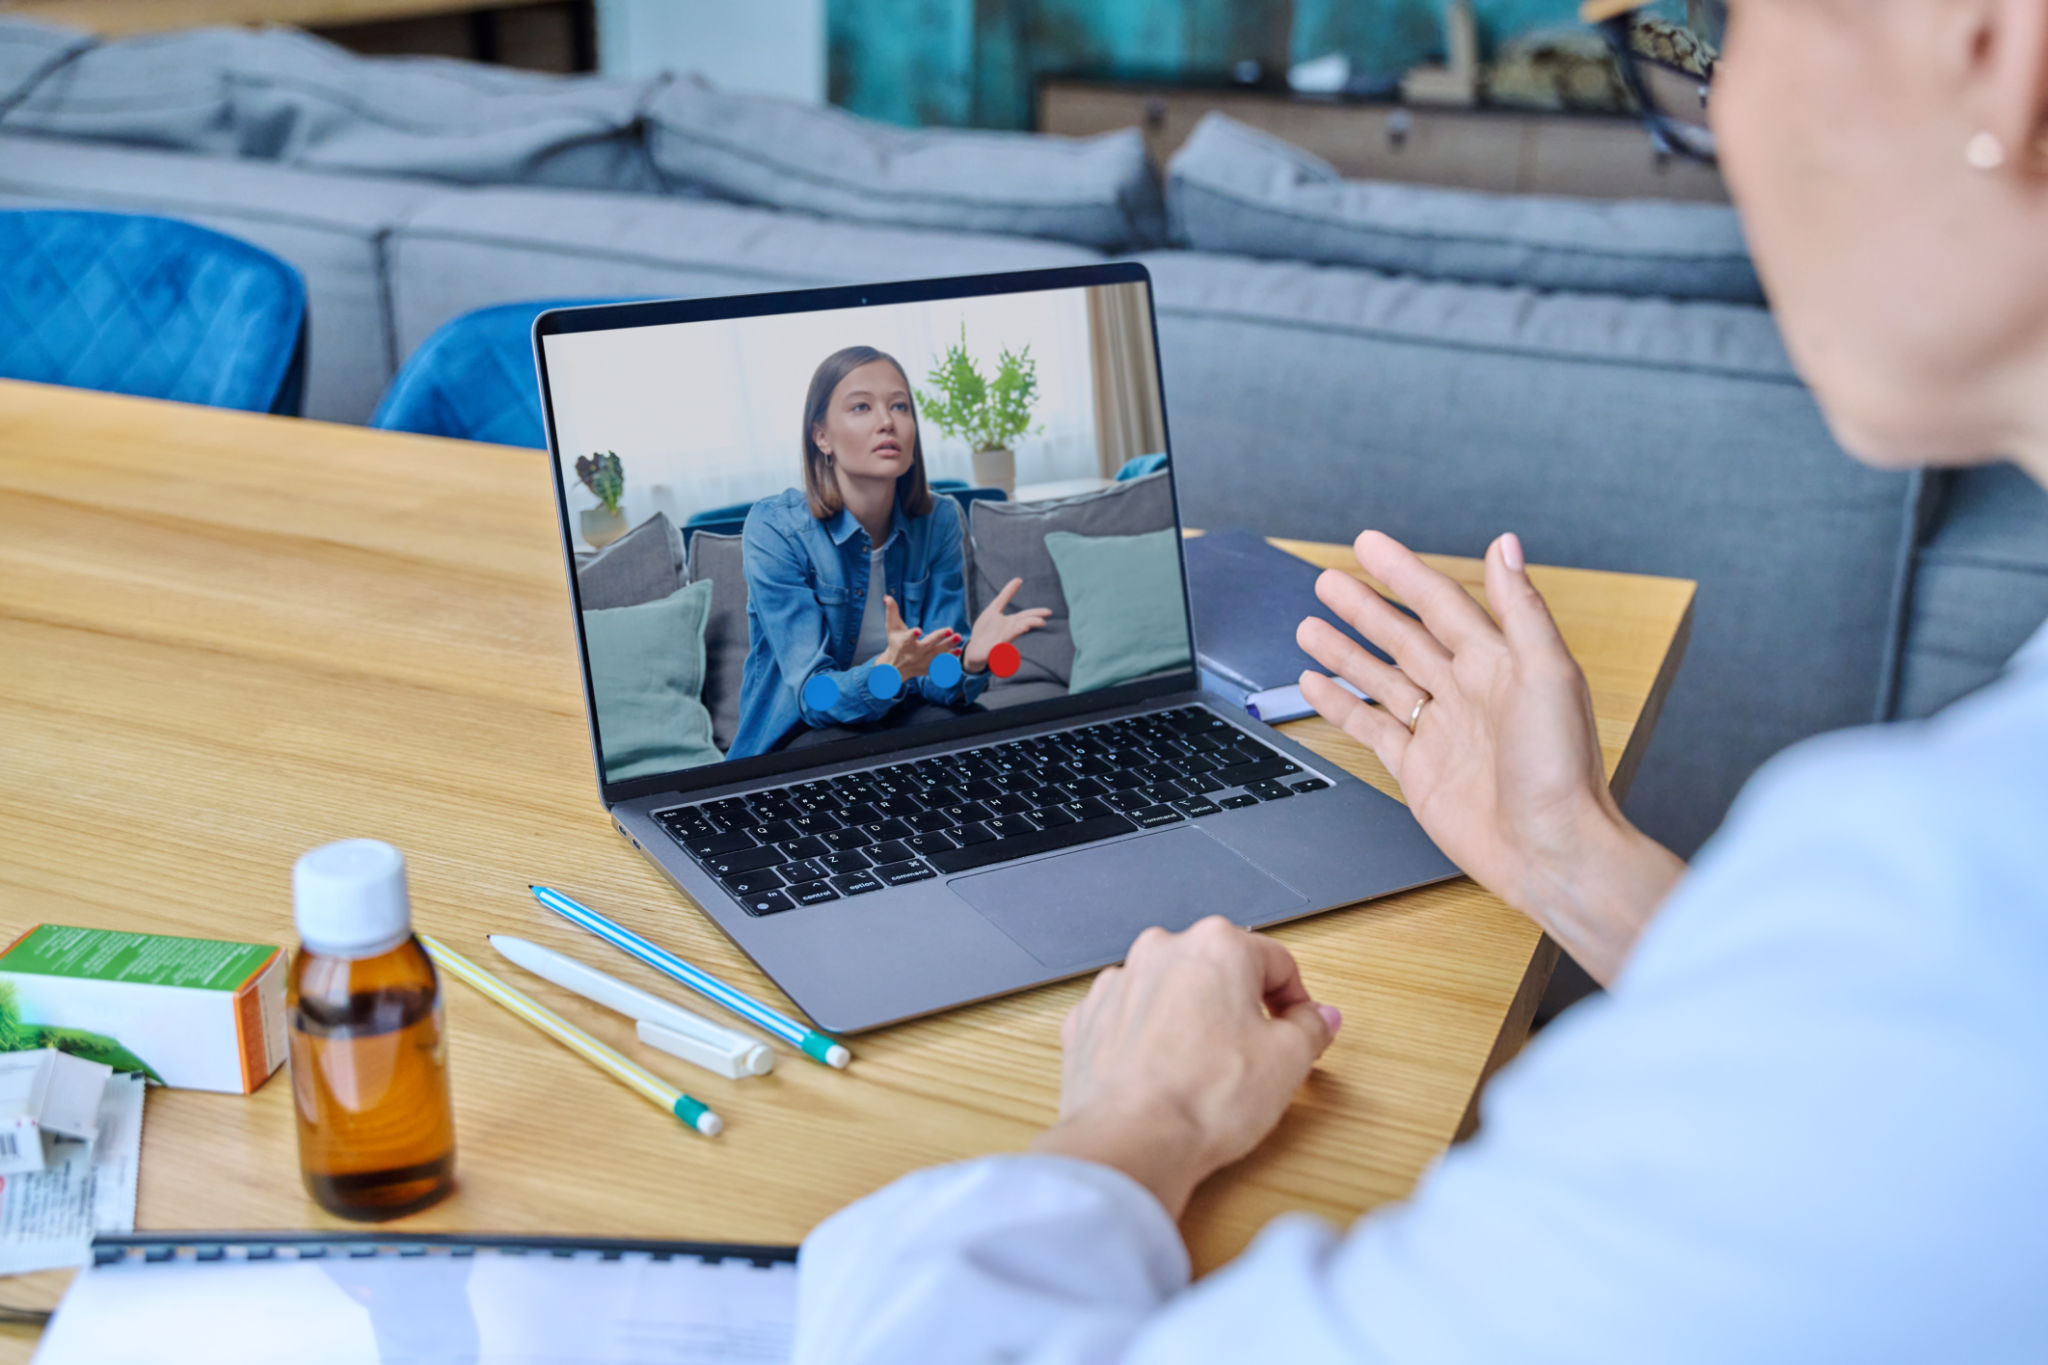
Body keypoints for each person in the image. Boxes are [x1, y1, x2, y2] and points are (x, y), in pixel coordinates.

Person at [793, 1, 2048, 1358]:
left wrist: (1138, 1117)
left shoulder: (1954, 894)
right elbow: (1880, 1103)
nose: (1719, 122)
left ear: (1996, 47)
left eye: (1714, 32)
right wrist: (1578, 861)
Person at [729, 346, 1049, 759]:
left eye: (899, 406)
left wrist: (968, 661)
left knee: (980, 742)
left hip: (900, 718)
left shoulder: (940, 519)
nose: (887, 422)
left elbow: (935, 680)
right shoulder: (775, 528)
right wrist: (888, 674)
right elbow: (815, 695)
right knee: (848, 759)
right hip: (802, 736)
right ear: (821, 436)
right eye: (861, 407)